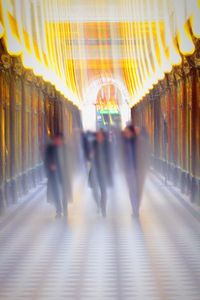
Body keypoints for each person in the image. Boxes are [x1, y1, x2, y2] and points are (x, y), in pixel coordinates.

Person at [89, 129, 112, 217]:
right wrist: (91, 155)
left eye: (100, 135)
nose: (98, 136)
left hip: (104, 170)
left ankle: (103, 208)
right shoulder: (94, 143)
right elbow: (89, 154)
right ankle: (98, 203)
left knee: (104, 190)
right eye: (97, 135)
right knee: (94, 190)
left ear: (103, 136)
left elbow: (110, 157)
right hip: (95, 169)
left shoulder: (107, 144)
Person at [44, 133, 67, 218]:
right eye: (56, 140)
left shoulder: (65, 149)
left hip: (63, 175)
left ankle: (65, 209)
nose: (57, 141)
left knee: (64, 193)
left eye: (59, 140)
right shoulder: (50, 149)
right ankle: (59, 210)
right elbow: (46, 161)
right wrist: (50, 165)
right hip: (53, 175)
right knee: (56, 193)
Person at [123, 125, 139, 217]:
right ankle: (134, 209)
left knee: (135, 190)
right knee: (132, 190)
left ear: (131, 132)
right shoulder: (125, 143)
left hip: (135, 170)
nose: (126, 134)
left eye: (127, 132)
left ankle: (136, 209)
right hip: (129, 171)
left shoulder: (135, 142)